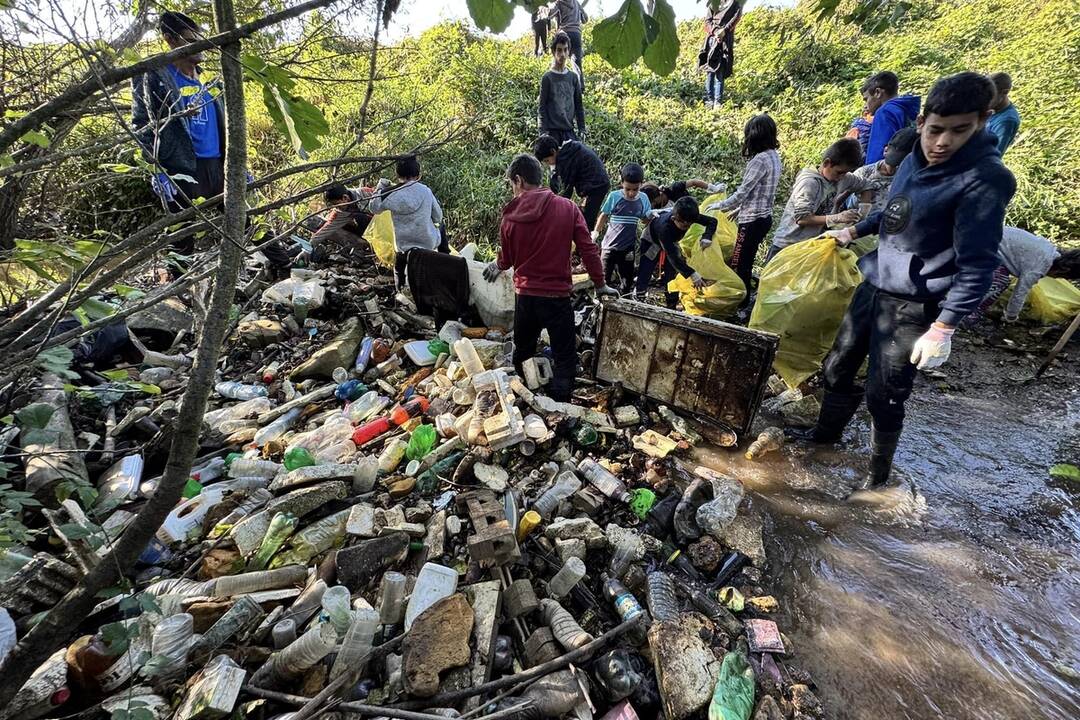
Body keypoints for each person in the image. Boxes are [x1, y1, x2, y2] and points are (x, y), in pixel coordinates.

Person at [795, 72, 1016, 495]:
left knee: (886, 392)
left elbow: (978, 264)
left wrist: (943, 327)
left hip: (916, 303)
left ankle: (876, 478)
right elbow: (894, 210)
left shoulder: (986, 179)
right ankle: (824, 437)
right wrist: (853, 231)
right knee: (837, 366)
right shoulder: (914, 158)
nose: (942, 142)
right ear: (921, 123)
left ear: (982, 122)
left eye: (959, 131)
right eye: (936, 130)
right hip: (876, 282)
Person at [484, 153, 617, 401]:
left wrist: (497, 264)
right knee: (564, 357)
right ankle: (561, 407)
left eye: (512, 184)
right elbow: (588, 249)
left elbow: (507, 260)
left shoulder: (509, 217)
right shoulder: (567, 208)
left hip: (525, 297)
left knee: (523, 352)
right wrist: (600, 285)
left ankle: (524, 399)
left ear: (518, 180)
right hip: (557, 297)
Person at [132, 11, 226, 254]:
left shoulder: (208, 81)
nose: (200, 47)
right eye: (191, 41)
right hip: (180, 166)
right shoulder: (154, 76)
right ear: (170, 40)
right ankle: (180, 278)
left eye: (201, 40)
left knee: (245, 219)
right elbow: (142, 124)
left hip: (216, 163)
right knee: (182, 238)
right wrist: (156, 169)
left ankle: (284, 265)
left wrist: (238, 161)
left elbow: (224, 124)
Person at [705, 114, 782, 302]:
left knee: (740, 263)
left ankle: (740, 302)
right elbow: (763, 191)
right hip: (764, 218)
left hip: (751, 221)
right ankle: (743, 298)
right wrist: (739, 209)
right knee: (747, 260)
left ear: (754, 136)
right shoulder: (774, 156)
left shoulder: (759, 160)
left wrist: (720, 205)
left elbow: (743, 192)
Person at [767, 137, 867, 262]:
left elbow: (866, 185)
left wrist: (864, 210)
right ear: (826, 163)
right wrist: (837, 218)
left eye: (845, 173)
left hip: (810, 246)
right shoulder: (809, 182)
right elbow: (802, 218)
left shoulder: (844, 178)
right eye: (839, 172)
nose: (841, 177)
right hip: (788, 244)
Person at [967, 227, 1079, 324]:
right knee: (999, 281)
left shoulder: (1050, 252)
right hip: (978, 245)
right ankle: (968, 312)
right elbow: (1019, 293)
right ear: (1063, 270)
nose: (1055, 278)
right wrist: (1011, 316)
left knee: (999, 276)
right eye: (1061, 277)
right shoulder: (1038, 267)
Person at [368, 155, 444, 288]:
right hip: (427, 243)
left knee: (399, 269)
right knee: (441, 225)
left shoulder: (389, 192)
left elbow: (373, 208)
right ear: (418, 175)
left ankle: (400, 291)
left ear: (397, 174)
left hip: (403, 245)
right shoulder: (426, 191)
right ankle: (445, 257)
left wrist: (380, 188)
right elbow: (438, 217)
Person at [634, 196, 715, 307]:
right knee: (646, 268)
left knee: (671, 274)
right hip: (652, 240)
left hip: (672, 242)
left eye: (690, 224)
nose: (687, 227)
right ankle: (639, 296)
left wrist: (707, 236)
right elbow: (672, 256)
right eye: (685, 226)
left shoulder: (688, 216)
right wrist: (692, 274)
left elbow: (712, 221)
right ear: (674, 218)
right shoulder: (664, 227)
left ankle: (671, 303)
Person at [593, 163, 652, 294]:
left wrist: (651, 215)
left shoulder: (643, 199)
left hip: (628, 248)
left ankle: (623, 299)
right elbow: (604, 215)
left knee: (627, 280)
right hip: (609, 246)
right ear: (622, 183)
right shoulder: (614, 196)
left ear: (641, 184)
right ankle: (599, 301)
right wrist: (595, 233)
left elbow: (645, 220)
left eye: (635, 189)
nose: (631, 193)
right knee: (604, 278)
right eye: (627, 189)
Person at [533, 134, 610, 231]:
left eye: (547, 160)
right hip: (596, 183)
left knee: (586, 221)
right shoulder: (569, 150)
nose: (548, 164)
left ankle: (586, 238)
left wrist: (557, 206)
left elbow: (566, 188)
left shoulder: (565, 159)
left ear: (553, 151)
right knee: (583, 216)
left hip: (596, 185)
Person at [845, 126, 919, 213]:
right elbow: (846, 205)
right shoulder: (863, 174)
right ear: (886, 150)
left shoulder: (910, 180)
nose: (896, 167)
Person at [861, 71, 921, 164]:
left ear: (878, 92)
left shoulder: (885, 112)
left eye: (866, 99)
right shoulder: (907, 109)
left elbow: (878, 153)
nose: (866, 105)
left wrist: (870, 170)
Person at [538, 31, 585, 144]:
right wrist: (543, 132)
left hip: (569, 131)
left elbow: (579, 105)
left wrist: (582, 128)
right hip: (552, 132)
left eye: (565, 50)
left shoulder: (573, 77)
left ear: (569, 51)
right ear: (554, 52)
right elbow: (542, 107)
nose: (562, 54)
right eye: (559, 50)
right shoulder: (547, 78)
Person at [700, 0, 741, 108]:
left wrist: (724, 31)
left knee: (720, 71)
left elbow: (735, 18)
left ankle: (717, 101)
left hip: (725, 40)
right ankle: (709, 100)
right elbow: (707, 21)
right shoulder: (714, 3)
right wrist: (715, 32)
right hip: (712, 39)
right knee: (710, 70)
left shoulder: (735, 3)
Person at [311, 183, 373, 250]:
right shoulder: (339, 212)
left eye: (337, 204)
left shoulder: (365, 193)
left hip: (378, 221)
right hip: (367, 230)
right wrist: (310, 245)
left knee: (360, 217)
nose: (337, 208)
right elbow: (326, 229)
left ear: (345, 197)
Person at [987, 72, 1021, 155]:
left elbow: (993, 154)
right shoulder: (993, 110)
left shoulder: (1006, 121)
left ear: (1004, 92)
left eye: (990, 97)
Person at [552, 0, 586, 80]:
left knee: (558, 60)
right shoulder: (576, 3)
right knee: (577, 64)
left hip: (564, 33)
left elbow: (550, 14)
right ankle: (579, 86)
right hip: (576, 34)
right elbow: (585, 19)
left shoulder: (559, 2)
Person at [646, 179, 724, 210]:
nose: (653, 204)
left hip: (691, 209)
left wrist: (713, 188)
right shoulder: (655, 208)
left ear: (660, 193)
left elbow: (694, 182)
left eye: (654, 201)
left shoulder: (675, 189)